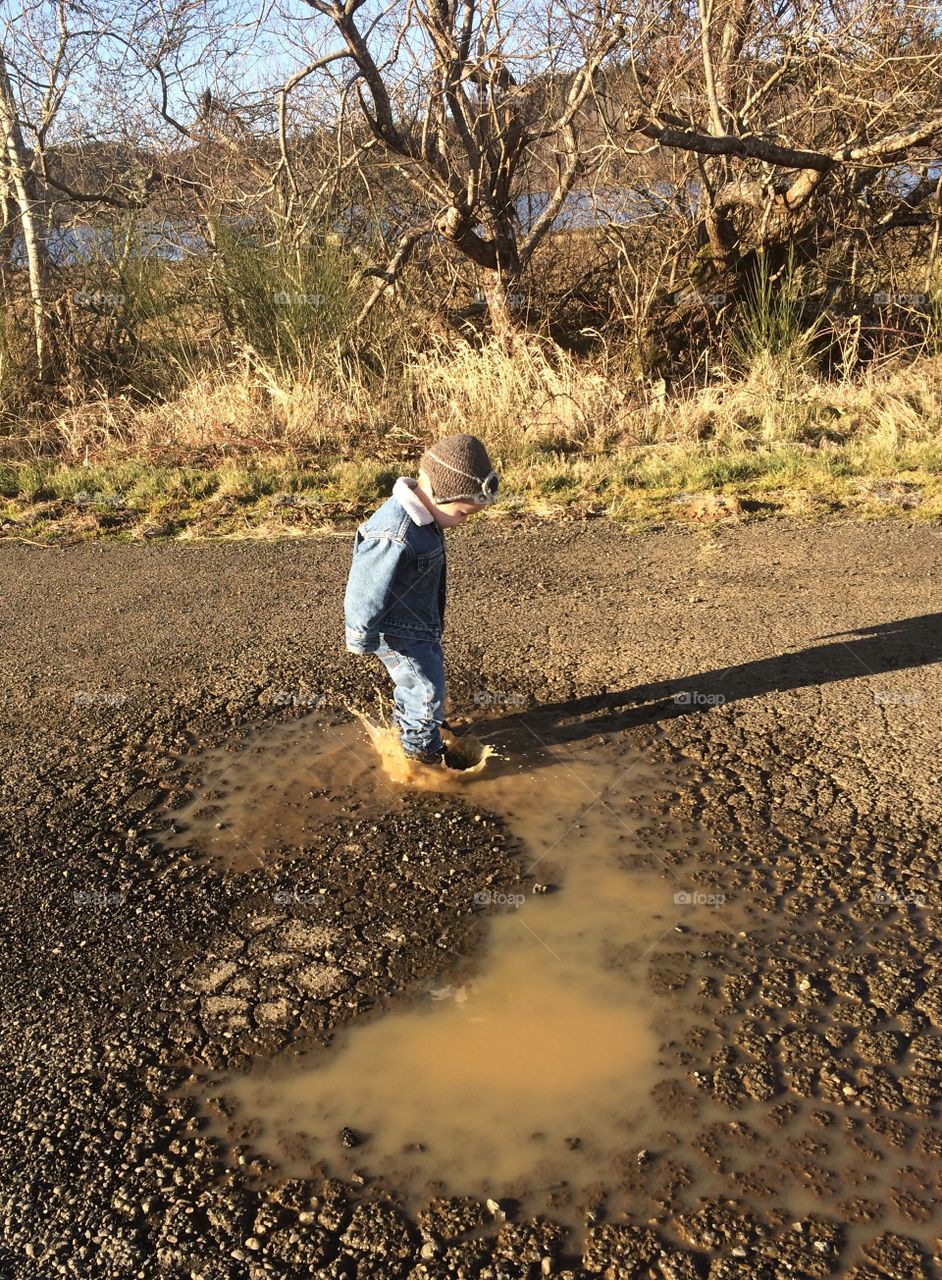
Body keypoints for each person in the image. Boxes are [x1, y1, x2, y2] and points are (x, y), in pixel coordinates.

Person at [344, 434, 499, 768]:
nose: (462, 521)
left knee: (419, 680)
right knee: (427, 688)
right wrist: (360, 636)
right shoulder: (393, 533)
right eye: (461, 513)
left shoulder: (424, 514)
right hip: (399, 630)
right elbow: (363, 588)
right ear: (435, 494)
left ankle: (411, 725)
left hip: (418, 624)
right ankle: (420, 751)